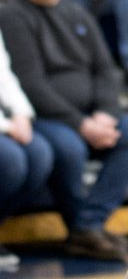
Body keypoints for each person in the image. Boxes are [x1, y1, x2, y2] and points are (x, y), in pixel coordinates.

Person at [0, 0, 128, 263]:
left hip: (89, 114)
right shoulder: (11, 15)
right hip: (46, 116)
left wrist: (107, 113)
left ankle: (87, 225)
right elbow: (31, 83)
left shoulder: (78, 12)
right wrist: (81, 124)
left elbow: (105, 70)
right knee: (69, 147)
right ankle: (84, 229)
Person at [0, 28, 54, 273]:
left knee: (39, 154)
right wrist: (6, 125)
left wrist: (21, 114)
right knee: (10, 160)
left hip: (7, 120)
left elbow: (4, 75)